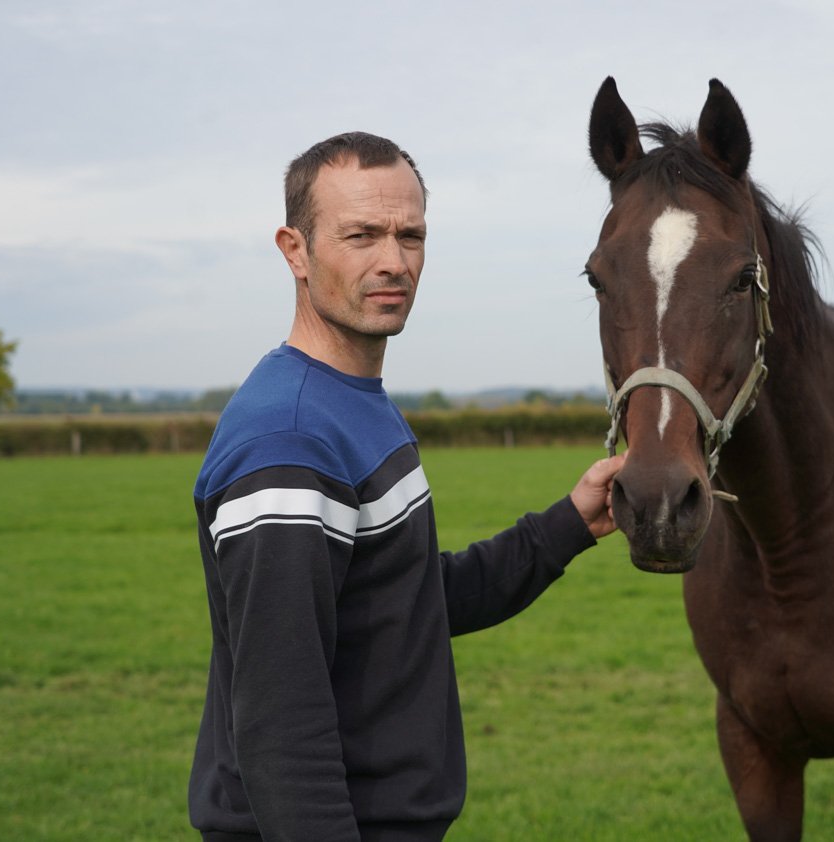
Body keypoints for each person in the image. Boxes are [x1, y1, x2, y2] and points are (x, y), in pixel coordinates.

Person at [189, 131, 625, 842]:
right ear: (295, 250)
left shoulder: (353, 402)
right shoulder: (290, 443)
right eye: (361, 235)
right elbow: (281, 725)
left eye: (410, 235)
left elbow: (410, 600)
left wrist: (569, 523)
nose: (394, 261)